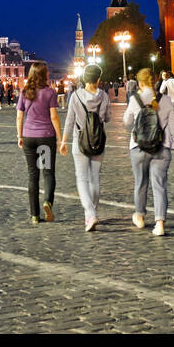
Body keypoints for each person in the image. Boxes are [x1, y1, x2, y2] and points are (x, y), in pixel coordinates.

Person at [123, 67, 174, 236]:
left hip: (138, 147)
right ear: (154, 80)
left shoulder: (135, 99)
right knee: (159, 185)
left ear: (139, 83)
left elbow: (126, 122)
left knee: (140, 183)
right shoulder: (166, 100)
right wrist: (170, 141)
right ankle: (160, 223)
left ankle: (139, 216)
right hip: (161, 148)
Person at [62, 65, 110, 232]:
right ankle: (93, 210)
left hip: (79, 141)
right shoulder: (104, 96)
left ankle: (89, 214)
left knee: (82, 178)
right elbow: (107, 118)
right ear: (98, 79)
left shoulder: (75, 96)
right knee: (95, 177)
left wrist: (63, 141)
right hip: (98, 141)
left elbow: (69, 120)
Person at [16, 62, 62, 224]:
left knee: (32, 175)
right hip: (45, 138)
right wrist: (60, 138)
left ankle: (34, 215)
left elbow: (20, 116)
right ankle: (47, 201)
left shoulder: (24, 92)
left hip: (29, 137)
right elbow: (54, 117)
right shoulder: (49, 93)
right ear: (44, 74)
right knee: (48, 172)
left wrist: (19, 135)